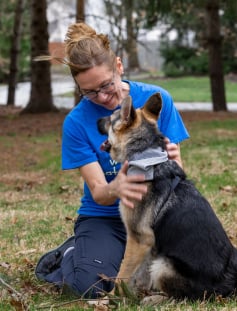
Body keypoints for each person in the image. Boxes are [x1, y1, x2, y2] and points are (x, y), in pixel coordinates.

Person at [35, 22, 189, 298]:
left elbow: (178, 178)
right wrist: (116, 187)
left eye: (107, 85)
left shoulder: (157, 100)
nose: (103, 97)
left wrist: (175, 163)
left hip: (155, 216)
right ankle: (74, 252)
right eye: (90, 92)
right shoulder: (76, 123)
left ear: (119, 66)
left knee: (177, 279)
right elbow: (99, 193)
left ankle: (110, 257)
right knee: (88, 288)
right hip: (105, 218)